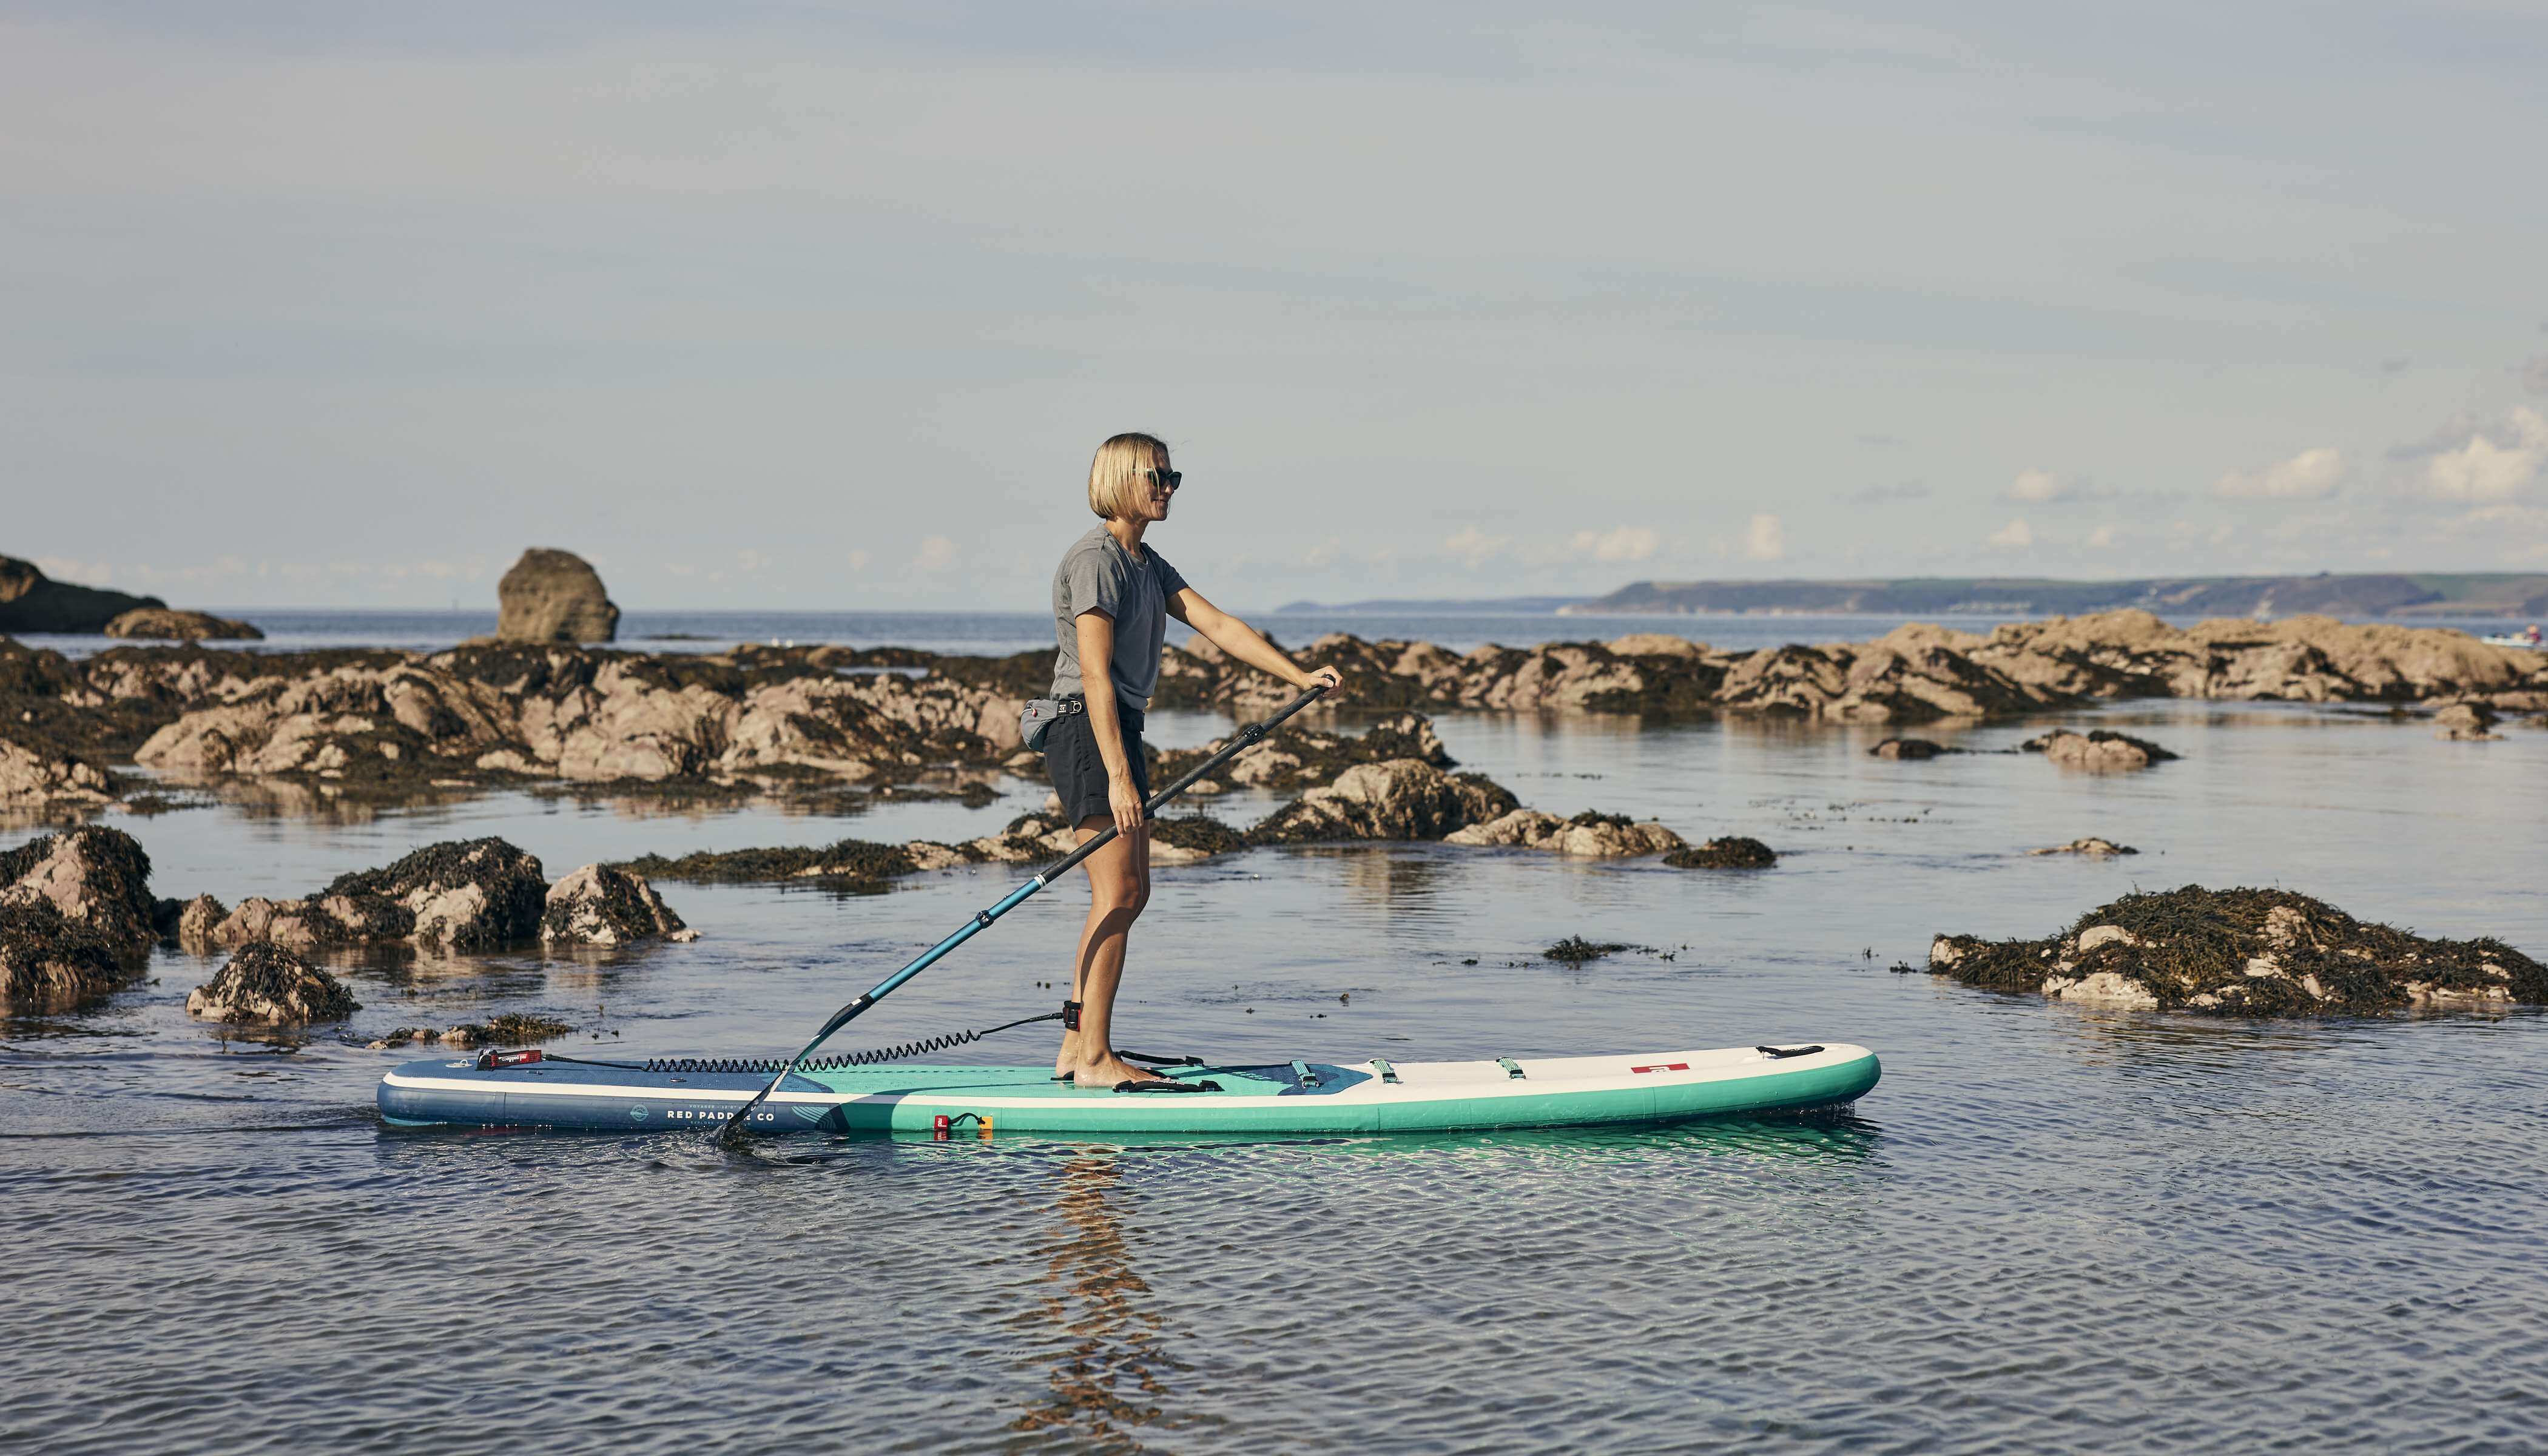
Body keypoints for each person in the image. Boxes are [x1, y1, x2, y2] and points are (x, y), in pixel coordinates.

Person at [1043, 433, 1342, 1088]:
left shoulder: (1147, 564)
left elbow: (1221, 626)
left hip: (1118, 726)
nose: (1169, 487)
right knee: (1117, 891)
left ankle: (1076, 1048)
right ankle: (1094, 1057)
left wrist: (1298, 677)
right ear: (1122, 479)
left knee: (1129, 892)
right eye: (1158, 476)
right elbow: (1094, 677)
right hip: (1087, 729)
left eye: (1173, 476)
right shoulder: (1095, 561)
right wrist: (1120, 777)